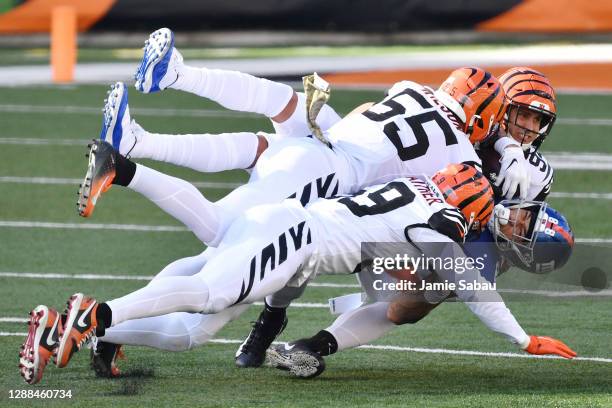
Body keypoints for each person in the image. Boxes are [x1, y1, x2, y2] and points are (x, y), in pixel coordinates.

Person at [22, 163, 498, 384]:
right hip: (289, 227)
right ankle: (97, 315)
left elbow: (369, 255)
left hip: (286, 202)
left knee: (194, 320)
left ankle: (88, 328)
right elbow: (372, 270)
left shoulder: (414, 176)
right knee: (207, 290)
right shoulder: (435, 206)